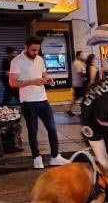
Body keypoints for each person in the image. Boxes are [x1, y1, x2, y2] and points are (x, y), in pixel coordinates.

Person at [9, 35, 69, 169]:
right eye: (33, 50)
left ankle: (55, 156)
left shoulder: (40, 59)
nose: (36, 53)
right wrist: (32, 82)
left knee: (52, 128)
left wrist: (49, 79)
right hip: (28, 102)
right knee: (32, 131)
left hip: (43, 99)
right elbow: (12, 83)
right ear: (26, 47)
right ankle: (36, 158)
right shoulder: (16, 61)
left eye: (37, 50)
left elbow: (43, 74)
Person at [67, 51, 86, 116]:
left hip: (77, 83)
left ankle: (69, 109)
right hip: (79, 83)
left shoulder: (78, 62)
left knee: (76, 98)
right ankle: (82, 111)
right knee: (82, 97)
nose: (83, 56)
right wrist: (85, 76)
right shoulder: (77, 63)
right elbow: (79, 72)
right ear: (78, 56)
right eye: (82, 55)